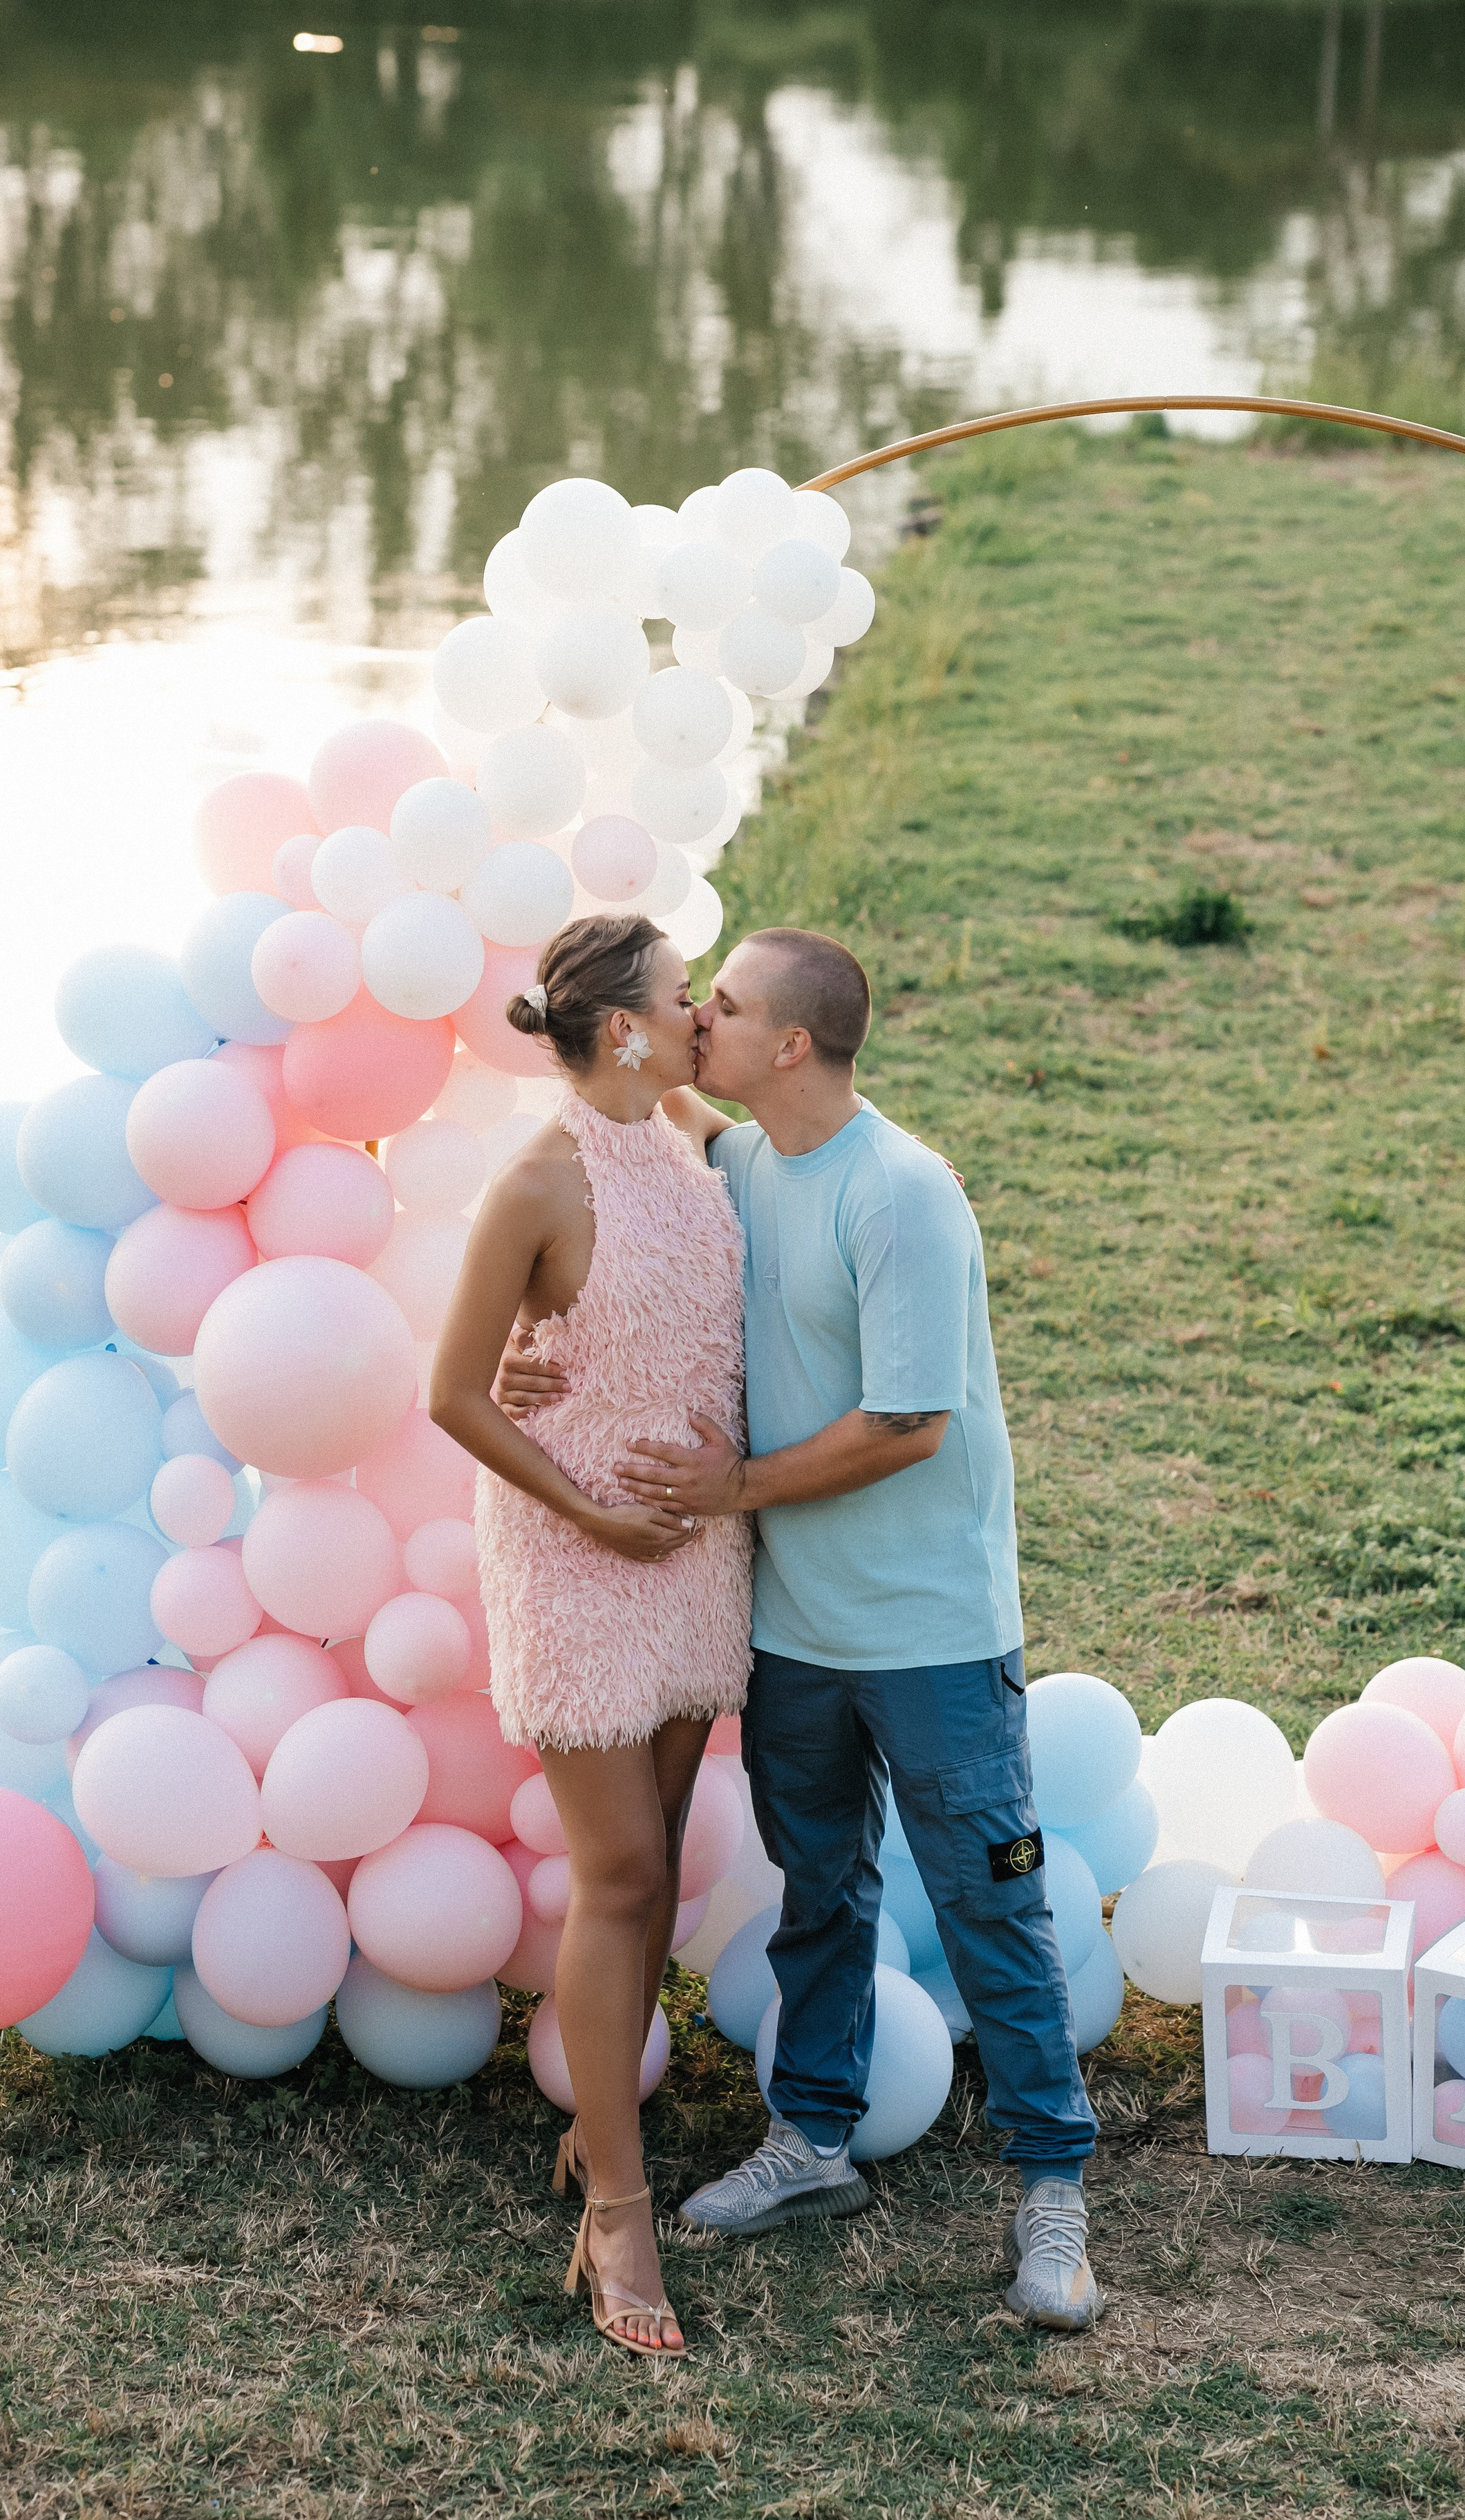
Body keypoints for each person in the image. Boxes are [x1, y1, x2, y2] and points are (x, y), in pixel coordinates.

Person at [499, 925, 1104, 2333]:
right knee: (816, 1887)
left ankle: (1052, 2187)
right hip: (791, 1629)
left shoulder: (899, 1192)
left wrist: (733, 1487)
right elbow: (620, 1133)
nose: (695, 1013)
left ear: (788, 1043)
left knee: (986, 1896)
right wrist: (534, 1343)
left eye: (723, 1002)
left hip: (931, 1629)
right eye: (693, 997)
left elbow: (906, 1421)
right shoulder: (740, 1159)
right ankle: (813, 2138)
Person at [429, 911, 752, 2361]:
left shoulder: (676, 1134)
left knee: (658, 1857)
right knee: (617, 1871)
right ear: (621, 1028)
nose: (705, 1019)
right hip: (576, 1558)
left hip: (694, 1554)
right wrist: (591, 1511)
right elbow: (455, 1394)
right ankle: (617, 2203)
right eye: (687, 999)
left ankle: (595, 2139)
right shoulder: (536, 1177)